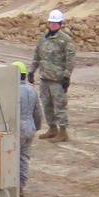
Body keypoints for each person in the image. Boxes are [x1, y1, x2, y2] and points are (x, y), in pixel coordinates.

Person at [29, 9, 76, 143]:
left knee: (60, 106)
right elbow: (37, 56)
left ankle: (63, 132)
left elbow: (70, 60)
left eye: (56, 23)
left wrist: (66, 77)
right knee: (46, 105)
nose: (53, 25)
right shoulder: (44, 38)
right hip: (45, 78)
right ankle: (52, 128)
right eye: (51, 23)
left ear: (60, 24)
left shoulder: (65, 40)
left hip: (57, 80)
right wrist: (31, 71)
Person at [16, 60, 42, 192]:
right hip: (29, 127)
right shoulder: (32, 90)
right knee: (24, 158)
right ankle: (20, 186)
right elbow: (37, 112)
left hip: (16, 128)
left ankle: (12, 187)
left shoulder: (11, 91)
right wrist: (36, 127)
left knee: (11, 158)